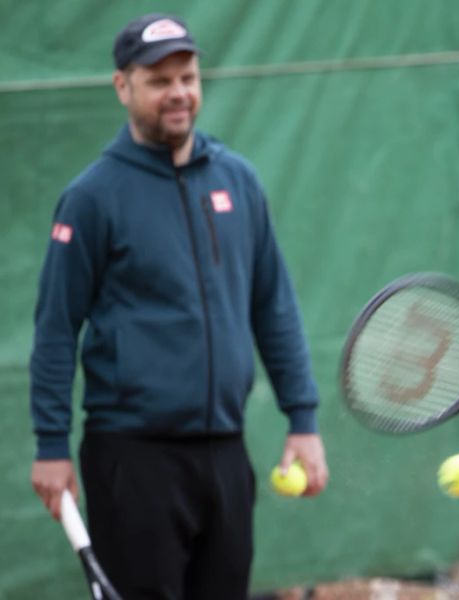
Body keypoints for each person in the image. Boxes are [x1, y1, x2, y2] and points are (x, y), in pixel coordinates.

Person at [29, 13, 328, 599]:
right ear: (123, 87)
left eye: (187, 77)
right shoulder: (92, 198)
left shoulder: (238, 181)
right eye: (159, 80)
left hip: (225, 457)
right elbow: (56, 329)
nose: (178, 93)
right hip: (131, 460)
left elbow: (274, 307)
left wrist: (303, 419)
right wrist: (49, 445)